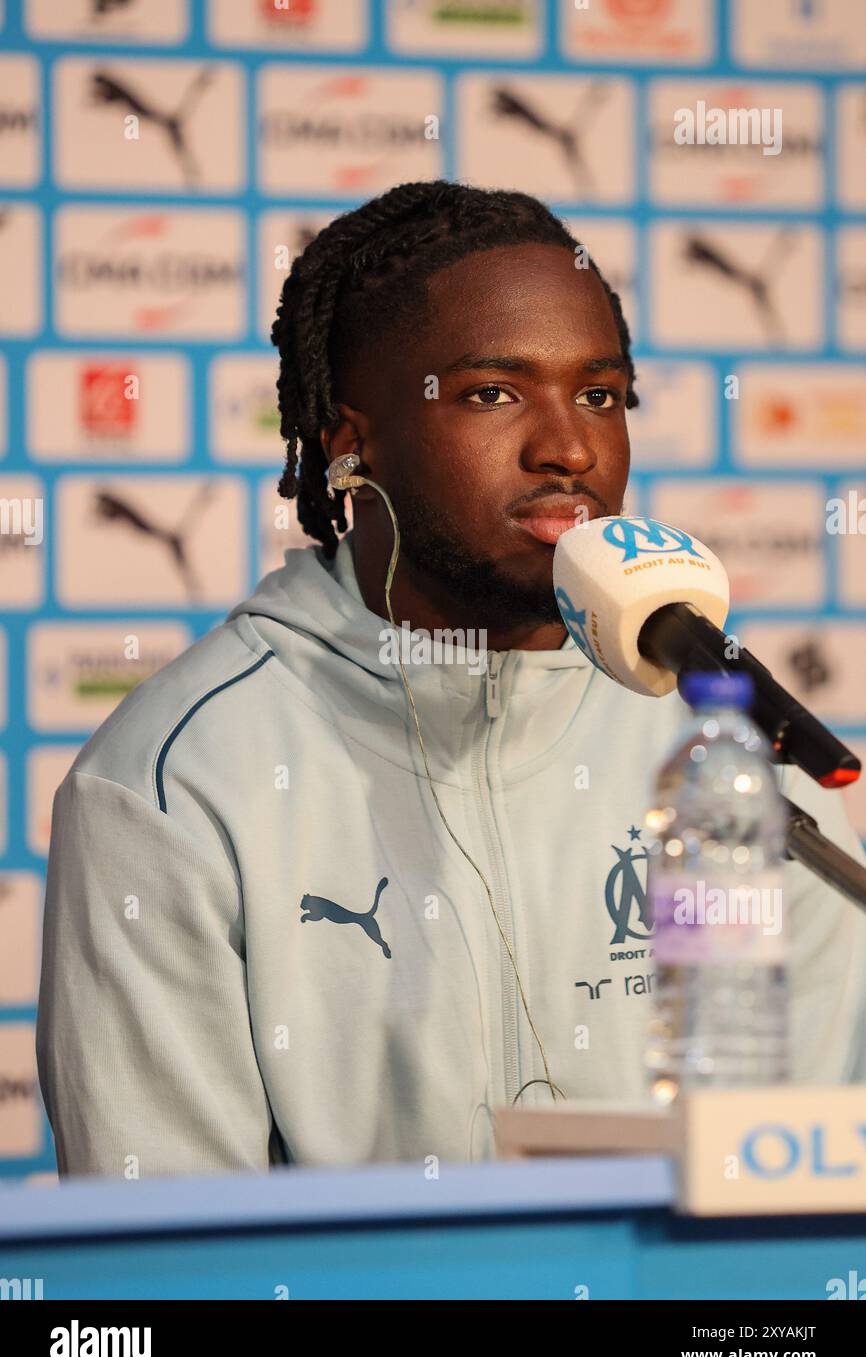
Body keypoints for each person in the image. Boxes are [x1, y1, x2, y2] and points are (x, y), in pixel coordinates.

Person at [36, 180, 866, 1178]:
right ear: (350, 443)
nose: (568, 447)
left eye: (599, 395)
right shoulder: (175, 782)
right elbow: (173, 1245)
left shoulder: (729, 740)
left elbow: (808, 1178)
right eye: (492, 393)